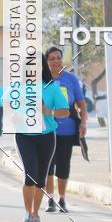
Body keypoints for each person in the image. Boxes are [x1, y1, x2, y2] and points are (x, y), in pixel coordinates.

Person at [14, 53, 69, 222]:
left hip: (46, 136)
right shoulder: (18, 86)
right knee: (29, 176)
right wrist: (14, 114)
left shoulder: (51, 87)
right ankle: (26, 215)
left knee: (40, 179)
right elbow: (7, 104)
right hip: (24, 136)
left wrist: (48, 111)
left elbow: (65, 112)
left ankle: (35, 214)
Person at [44, 47, 88, 213]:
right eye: (52, 59)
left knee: (63, 166)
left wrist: (83, 123)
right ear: (47, 62)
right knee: (48, 166)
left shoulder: (71, 79)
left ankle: (62, 199)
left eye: (58, 58)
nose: (55, 61)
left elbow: (81, 104)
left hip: (67, 129)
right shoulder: (42, 80)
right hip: (47, 129)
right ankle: (50, 199)